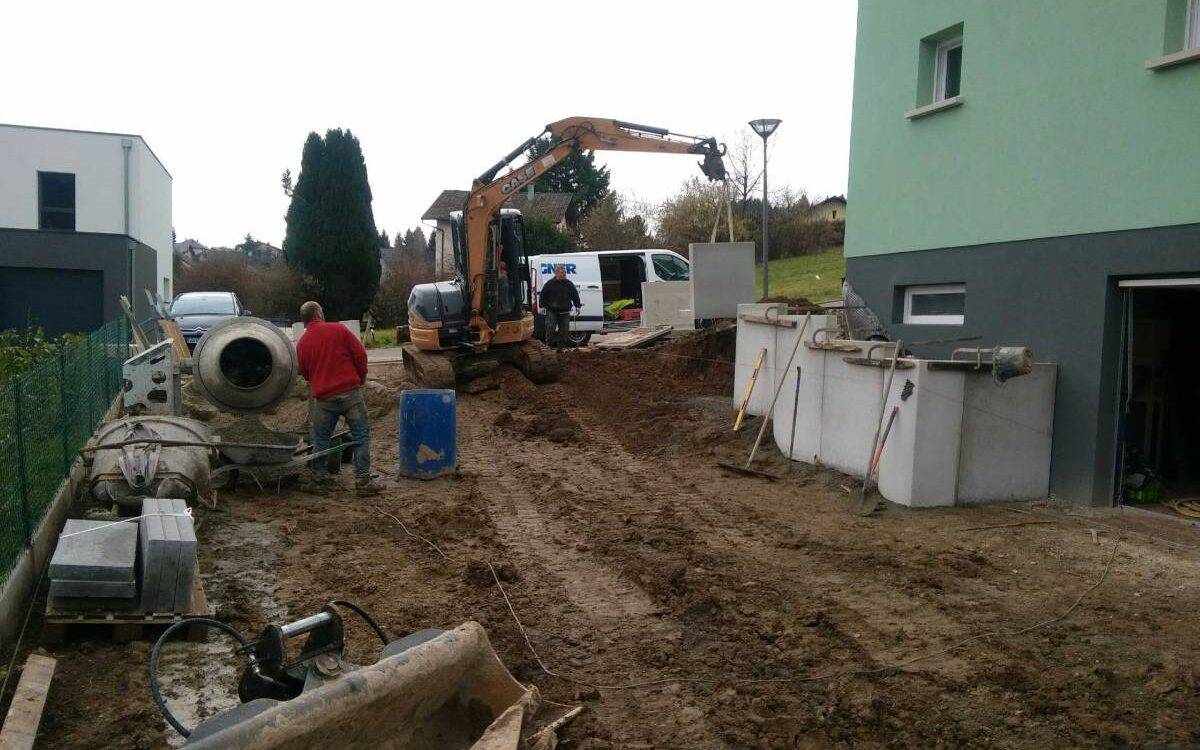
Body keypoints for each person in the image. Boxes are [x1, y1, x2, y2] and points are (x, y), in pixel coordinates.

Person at [295, 301, 380, 496]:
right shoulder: (338, 330)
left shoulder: (302, 344)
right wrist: (361, 376)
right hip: (350, 394)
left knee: (320, 438)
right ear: (318, 314)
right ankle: (363, 481)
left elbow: (305, 372)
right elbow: (360, 354)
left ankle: (320, 478)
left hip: (324, 399)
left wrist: (318, 380)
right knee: (361, 435)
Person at [538, 265, 581, 348]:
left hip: (565, 311)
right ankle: (549, 346)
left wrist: (577, 306)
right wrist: (541, 306)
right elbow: (543, 295)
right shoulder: (549, 284)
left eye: (565, 272)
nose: (564, 274)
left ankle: (561, 348)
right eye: (562, 272)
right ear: (556, 273)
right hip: (552, 310)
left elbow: (575, 295)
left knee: (564, 331)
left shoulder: (569, 284)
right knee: (550, 328)